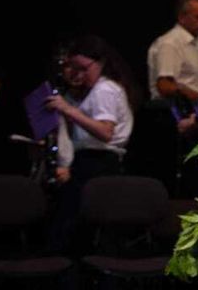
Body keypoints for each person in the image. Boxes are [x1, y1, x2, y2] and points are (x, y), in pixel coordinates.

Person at [46, 35, 139, 253]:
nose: (78, 74)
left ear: (100, 64)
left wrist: (68, 110)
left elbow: (105, 132)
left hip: (100, 165)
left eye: (83, 68)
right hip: (89, 163)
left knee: (79, 233)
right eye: (72, 67)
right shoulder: (88, 92)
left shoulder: (104, 89)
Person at [147, 0, 198, 110]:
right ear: (182, 17)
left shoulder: (195, 43)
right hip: (175, 114)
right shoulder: (170, 43)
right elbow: (165, 85)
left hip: (193, 109)